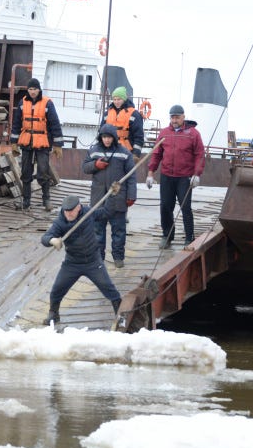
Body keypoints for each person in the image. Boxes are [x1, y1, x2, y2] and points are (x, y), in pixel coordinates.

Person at [40, 195, 122, 325]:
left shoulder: (88, 212)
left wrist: (112, 196)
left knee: (109, 288)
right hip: (72, 263)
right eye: (66, 211)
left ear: (79, 207)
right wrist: (52, 240)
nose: (68, 214)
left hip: (93, 261)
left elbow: (107, 212)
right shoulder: (60, 222)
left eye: (71, 210)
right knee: (57, 289)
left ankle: (120, 315)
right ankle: (54, 314)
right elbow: (45, 238)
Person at [147, 104, 206, 249]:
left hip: (185, 178)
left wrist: (196, 174)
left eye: (177, 117)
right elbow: (156, 154)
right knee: (166, 207)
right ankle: (167, 236)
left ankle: (189, 237)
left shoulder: (193, 134)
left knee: (185, 207)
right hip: (167, 176)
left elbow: (200, 155)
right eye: (172, 117)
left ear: (183, 117)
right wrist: (150, 173)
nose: (174, 120)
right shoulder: (164, 133)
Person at [82, 123, 136, 268]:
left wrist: (131, 195)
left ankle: (118, 257)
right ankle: (99, 258)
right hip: (99, 199)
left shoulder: (125, 153)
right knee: (98, 231)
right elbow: (85, 168)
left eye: (109, 137)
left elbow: (131, 176)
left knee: (118, 230)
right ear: (101, 137)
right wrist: (95, 165)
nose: (107, 140)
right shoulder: (93, 151)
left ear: (114, 138)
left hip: (118, 198)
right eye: (104, 137)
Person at [10, 77, 64, 211]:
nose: (32, 91)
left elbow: (55, 124)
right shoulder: (22, 103)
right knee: (26, 172)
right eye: (30, 89)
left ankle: (47, 201)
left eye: (34, 89)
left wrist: (58, 145)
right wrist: (14, 143)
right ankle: (26, 202)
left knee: (43, 173)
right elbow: (16, 124)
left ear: (39, 89)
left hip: (43, 142)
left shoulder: (47, 103)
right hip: (27, 141)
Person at [100, 86, 145, 159]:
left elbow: (139, 136)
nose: (116, 102)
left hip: (126, 152)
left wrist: (135, 154)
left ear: (124, 99)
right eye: (114, 99)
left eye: (119, 99)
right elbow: (101, 132)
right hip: (109, 151)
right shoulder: (107, 114)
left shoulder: (134, 114)